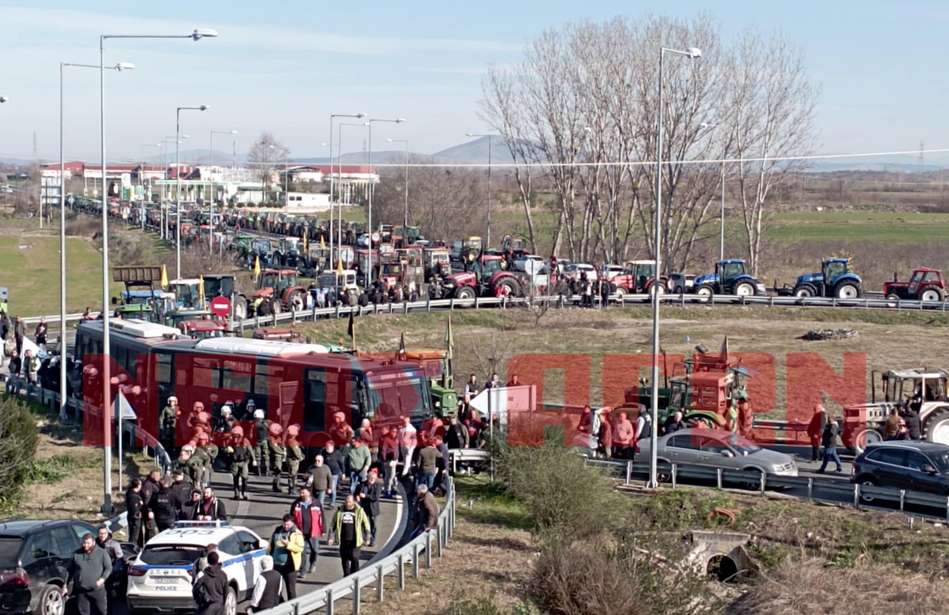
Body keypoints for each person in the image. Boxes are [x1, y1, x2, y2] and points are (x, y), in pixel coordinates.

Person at [63, 533, 111, 615]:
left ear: (93, 542)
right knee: (83, 613)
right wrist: (65, 586)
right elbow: (70, 570)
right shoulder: (76, 554)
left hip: (97, 590)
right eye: (84, 543)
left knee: (101, 612)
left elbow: (108, 568)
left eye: (88, 543)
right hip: (81, 591)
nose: (85, 545)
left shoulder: (102, 553)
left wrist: (102, 579)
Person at [328, 495, 371, 577]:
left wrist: (367, 538)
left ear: (354, 502)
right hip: (343, 539)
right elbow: (332, 524)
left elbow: (366, 524)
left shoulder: (359, 511)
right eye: (346, 502)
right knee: (345, 559)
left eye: (349, 502)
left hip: (355, 540)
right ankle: (346, 575)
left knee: (354, 557)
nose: (347, 504)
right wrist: (330, 537)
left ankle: (355, 575)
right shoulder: (340, 511)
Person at [289, 486, 324, 577]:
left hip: (313, 532)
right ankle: (302, 571)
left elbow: (322, 517)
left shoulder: (316, 503)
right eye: (301, 492)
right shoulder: (296, 504)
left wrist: (323, 529)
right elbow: (291, 518)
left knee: (315, 550)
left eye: (303, 492)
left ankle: (313, 563)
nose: (301, 494)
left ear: (309, 493)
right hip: (300, 533)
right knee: (302, 552)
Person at [268, 515, 304, 601]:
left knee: (290, 590)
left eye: (288, 524)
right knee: (275, 589)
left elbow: (300, 548)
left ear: (292, 523)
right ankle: (281, 606)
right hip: (276, 565)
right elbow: (271, 544)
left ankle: (293, 609)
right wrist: (269, 555)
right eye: (284, 524)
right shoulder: (277, 531)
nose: (286, 526)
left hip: (289, 567)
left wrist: (288, 544)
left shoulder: (296, 533)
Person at [95, 526, 123, 615]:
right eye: (100, 533)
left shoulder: (114, 544)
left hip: (109, 573)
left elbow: (120, 560)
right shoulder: (94, 544)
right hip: (96, 573)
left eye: (104, 533)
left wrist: (111, 571)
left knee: (108, 594)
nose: (102, 535)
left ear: (108, 534)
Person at [227, 426, 256, 500]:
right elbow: (227, 450)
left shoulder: (245, 441)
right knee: (235, 477)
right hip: (235, 462)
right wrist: (228, 451)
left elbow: (250, 450)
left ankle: (244, 492)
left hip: (244, 462)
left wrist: (254, 460)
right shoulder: (231, 441)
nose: (235, 437)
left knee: (245, 477)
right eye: (234, 435)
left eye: (237, 435)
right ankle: (236, 493)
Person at [355, 470, 382, 543]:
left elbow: (376, 497)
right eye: (371, 477)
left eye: (374, 478)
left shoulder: (377, 486)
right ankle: (365, 538)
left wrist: (365, 496)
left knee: (373, 525)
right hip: (364, 508)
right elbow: (356, 493)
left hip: (373, 509)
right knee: (363, 524)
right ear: (367, 477)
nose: (372, 479)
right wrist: (356, 497)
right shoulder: (362, 485)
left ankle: (372, 539)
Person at [323, 441, 345, 508]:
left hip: (334, 473)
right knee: (326, 488)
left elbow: (341, 463)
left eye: (328, 447)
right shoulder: (323, 453)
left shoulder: (337, 453)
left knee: (332, 488)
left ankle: (332, 503)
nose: (327, 448)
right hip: (325, 473)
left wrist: (343, 473)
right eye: (326, 447)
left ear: (332, 447)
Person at [284, 426, 305, 494]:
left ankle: (292, 488)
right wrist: (300, 457)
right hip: (293, 460)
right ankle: (292, 488)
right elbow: (296, 451)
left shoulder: (289, 440)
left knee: (291, 474)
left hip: (290, 459)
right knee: (293, 475)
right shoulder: (292, 441)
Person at [379, 427, 399, 496]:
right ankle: (387, 490)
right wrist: (384, 460)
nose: (394, 433)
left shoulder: (396, 439)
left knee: (392, 476)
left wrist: (397, 458)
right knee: (389, 476)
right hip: (388, 460)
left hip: (394, 460)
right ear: (390, 431)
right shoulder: (386, 439)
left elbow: (396, 450)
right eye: (393, 431)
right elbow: (383, 450)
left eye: (395, 431)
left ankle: (391, 489)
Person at [125, 479, 144, 548]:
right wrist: (140, 504)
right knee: (134, 535)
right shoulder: (134, 497)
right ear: (138, 486)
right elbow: (134, 508)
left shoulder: (130, 492)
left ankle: (138, 547)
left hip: (132, 516)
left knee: (137, 534)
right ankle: (132, 548)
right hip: (135, 517)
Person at [254, 409, 271, 476]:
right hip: (264, 441)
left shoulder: (254, 424)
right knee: (266, 456)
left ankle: (258, 470)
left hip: (257, 441)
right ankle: (267, 470)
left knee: (258, 456)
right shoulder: (266, 423)